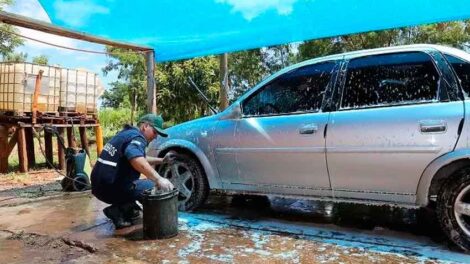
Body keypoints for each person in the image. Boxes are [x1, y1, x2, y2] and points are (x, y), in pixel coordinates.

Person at [91, 113, 174, 229]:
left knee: (136, 189)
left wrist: (162, 160)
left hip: (98, 186)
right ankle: (119, 209)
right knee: (151, 187)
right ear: (145, 126)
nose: (155, 137)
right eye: (155, 132)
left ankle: (125, 208)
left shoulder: (126, 134)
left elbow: (139, 157)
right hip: (110, 187)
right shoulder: (138, 138)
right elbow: (136, 158)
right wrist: (159, 179)